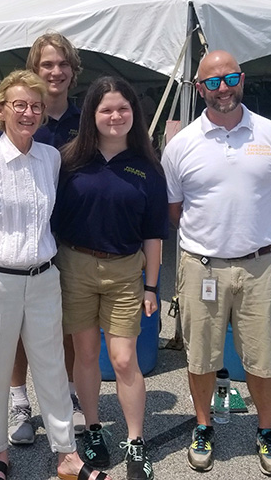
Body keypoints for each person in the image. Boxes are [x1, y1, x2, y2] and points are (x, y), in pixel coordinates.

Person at [0, 69, 109, 480]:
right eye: (19, 105)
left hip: (44, 278)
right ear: (1, 109)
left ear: (44, 113)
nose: (28, 113)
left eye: (36, 106)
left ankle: (67, 455)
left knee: (52, 367)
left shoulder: (51, 158)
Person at [161, 50, 271, 477]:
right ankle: (203, 426)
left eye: (231, 77)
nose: (224, 88)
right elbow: (175, 209)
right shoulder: (181, 144)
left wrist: (248, 238)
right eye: (213, 81)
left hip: (258, 264)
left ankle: (266, 429)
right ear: (199, 88)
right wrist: (216, 240)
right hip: (202, 266)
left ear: (243, 79)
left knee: (262, 357)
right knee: (200, 356)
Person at [53, 76, 168, 480]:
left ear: (134, 113)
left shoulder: (148, 166)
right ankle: (94, 429)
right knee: (84, 356)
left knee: (122, 359)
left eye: (123, 108)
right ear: (92, 115)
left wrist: (152, 286)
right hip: (75, 266)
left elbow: (154, 234)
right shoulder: (68, 161)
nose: (115, 116)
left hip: (124, 272)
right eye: (106, 109)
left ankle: (136, 442)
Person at [0, 32, 85, 444]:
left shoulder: (87, 118)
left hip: (73, 237)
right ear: (35, 69)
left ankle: (65, 395)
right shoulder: (22, 118)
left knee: (63, 326)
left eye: (63, 64)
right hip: (26, 240)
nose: (55, 71)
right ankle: (18, 400)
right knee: (18, 327)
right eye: (47, 64)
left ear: (73, 71)